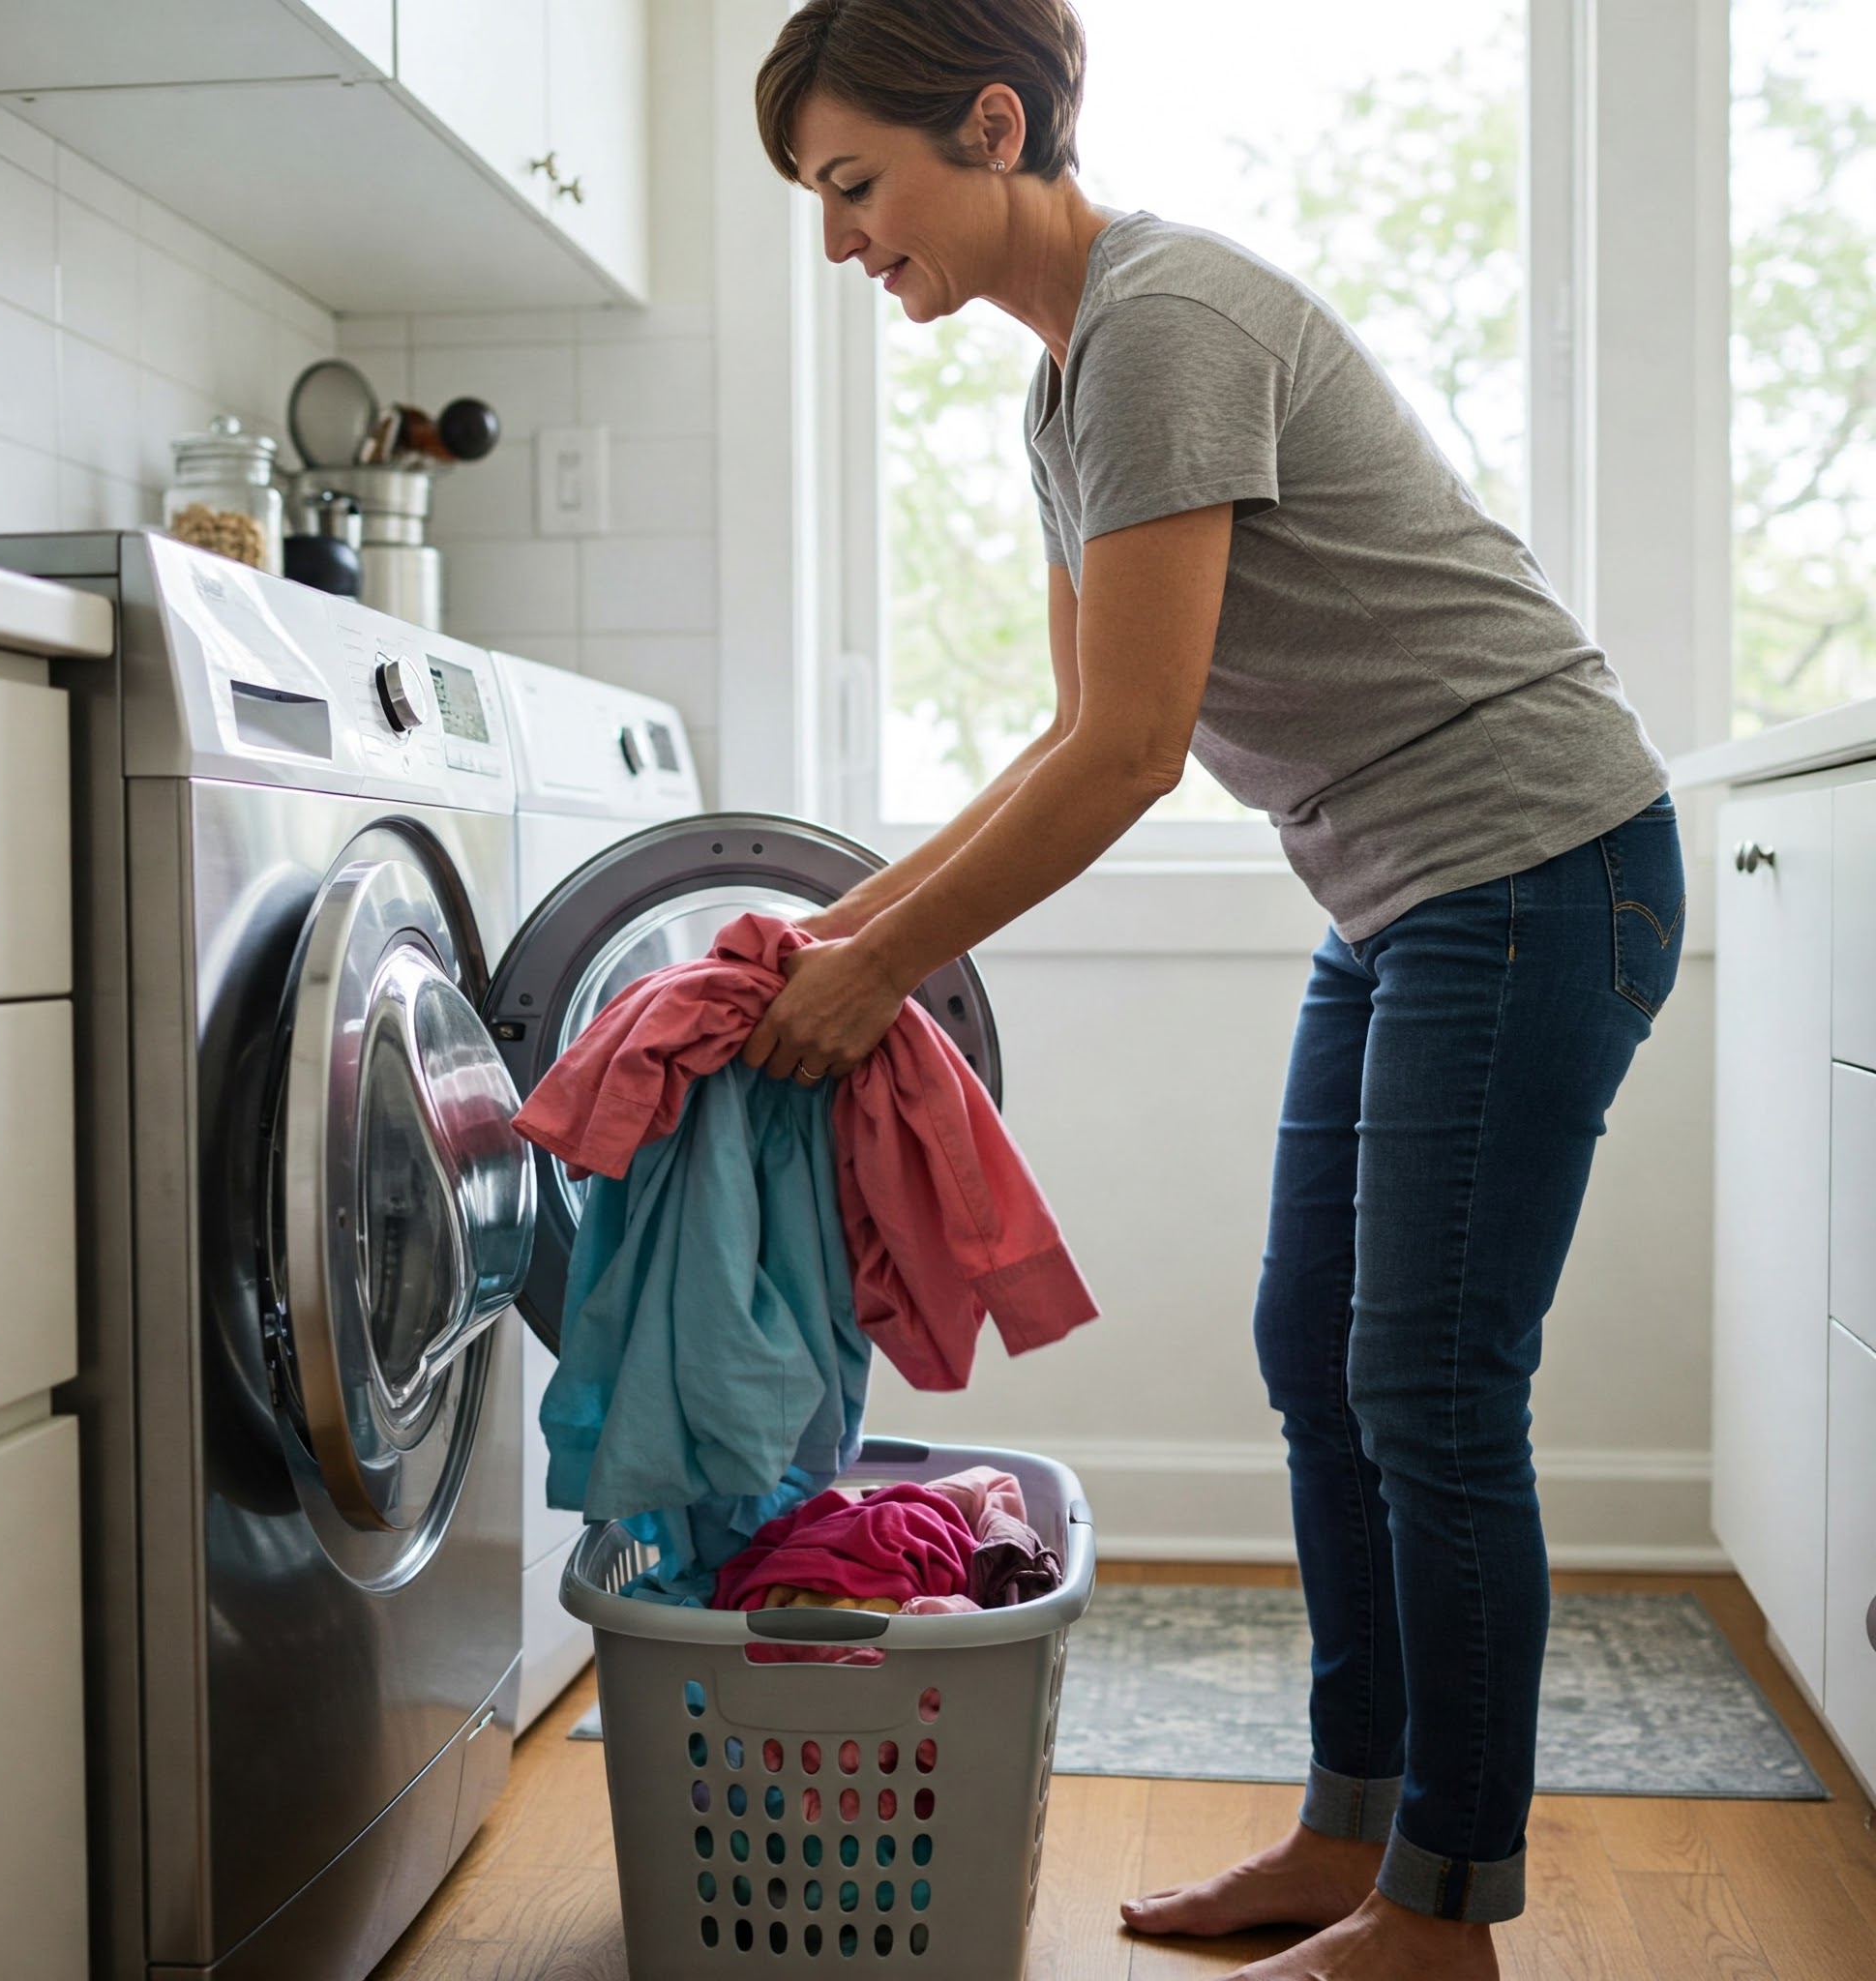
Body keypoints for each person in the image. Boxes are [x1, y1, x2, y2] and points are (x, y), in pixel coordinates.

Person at [744, 5, 1684, 1977]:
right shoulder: (1065, 384)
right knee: (1315, 1352)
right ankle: (1354, 1834)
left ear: (989, 124)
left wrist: (879, 967)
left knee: (1429, 1385)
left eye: (853, 185)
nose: (838, 241)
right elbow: (1069, 727)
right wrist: (843, 942)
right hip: (1408, 887)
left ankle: (1444, 1914)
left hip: (1526, 859)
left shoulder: (1163, 322)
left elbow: (1128, 756)